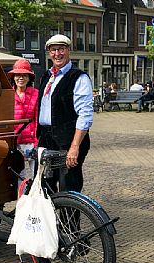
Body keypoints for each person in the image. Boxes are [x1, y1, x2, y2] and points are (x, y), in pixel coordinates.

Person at [36, 34, 93, 192]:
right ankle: (51, 217)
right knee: (44, 186)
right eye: (53, 50)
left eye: (61, 49)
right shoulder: (47, 76)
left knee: (68, 186)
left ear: (68, 51)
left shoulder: (78, 78)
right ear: (49, 53)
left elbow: (85, 115)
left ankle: (69, 218)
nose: (57, 54)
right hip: (46, 139)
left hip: (68, 140)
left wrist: (75, 147)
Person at [7, 59, 39, 178]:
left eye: (24, 75)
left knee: (37, 174)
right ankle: (21, 196)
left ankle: (38, 195)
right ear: (13, 77)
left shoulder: (36, 94)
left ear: (29, 78)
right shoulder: (8, 95)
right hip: (14, 142)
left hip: (30, 140)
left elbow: (36, 119)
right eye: (18, 75)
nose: (21, 78)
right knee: (19, 175)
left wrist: (36, 141)